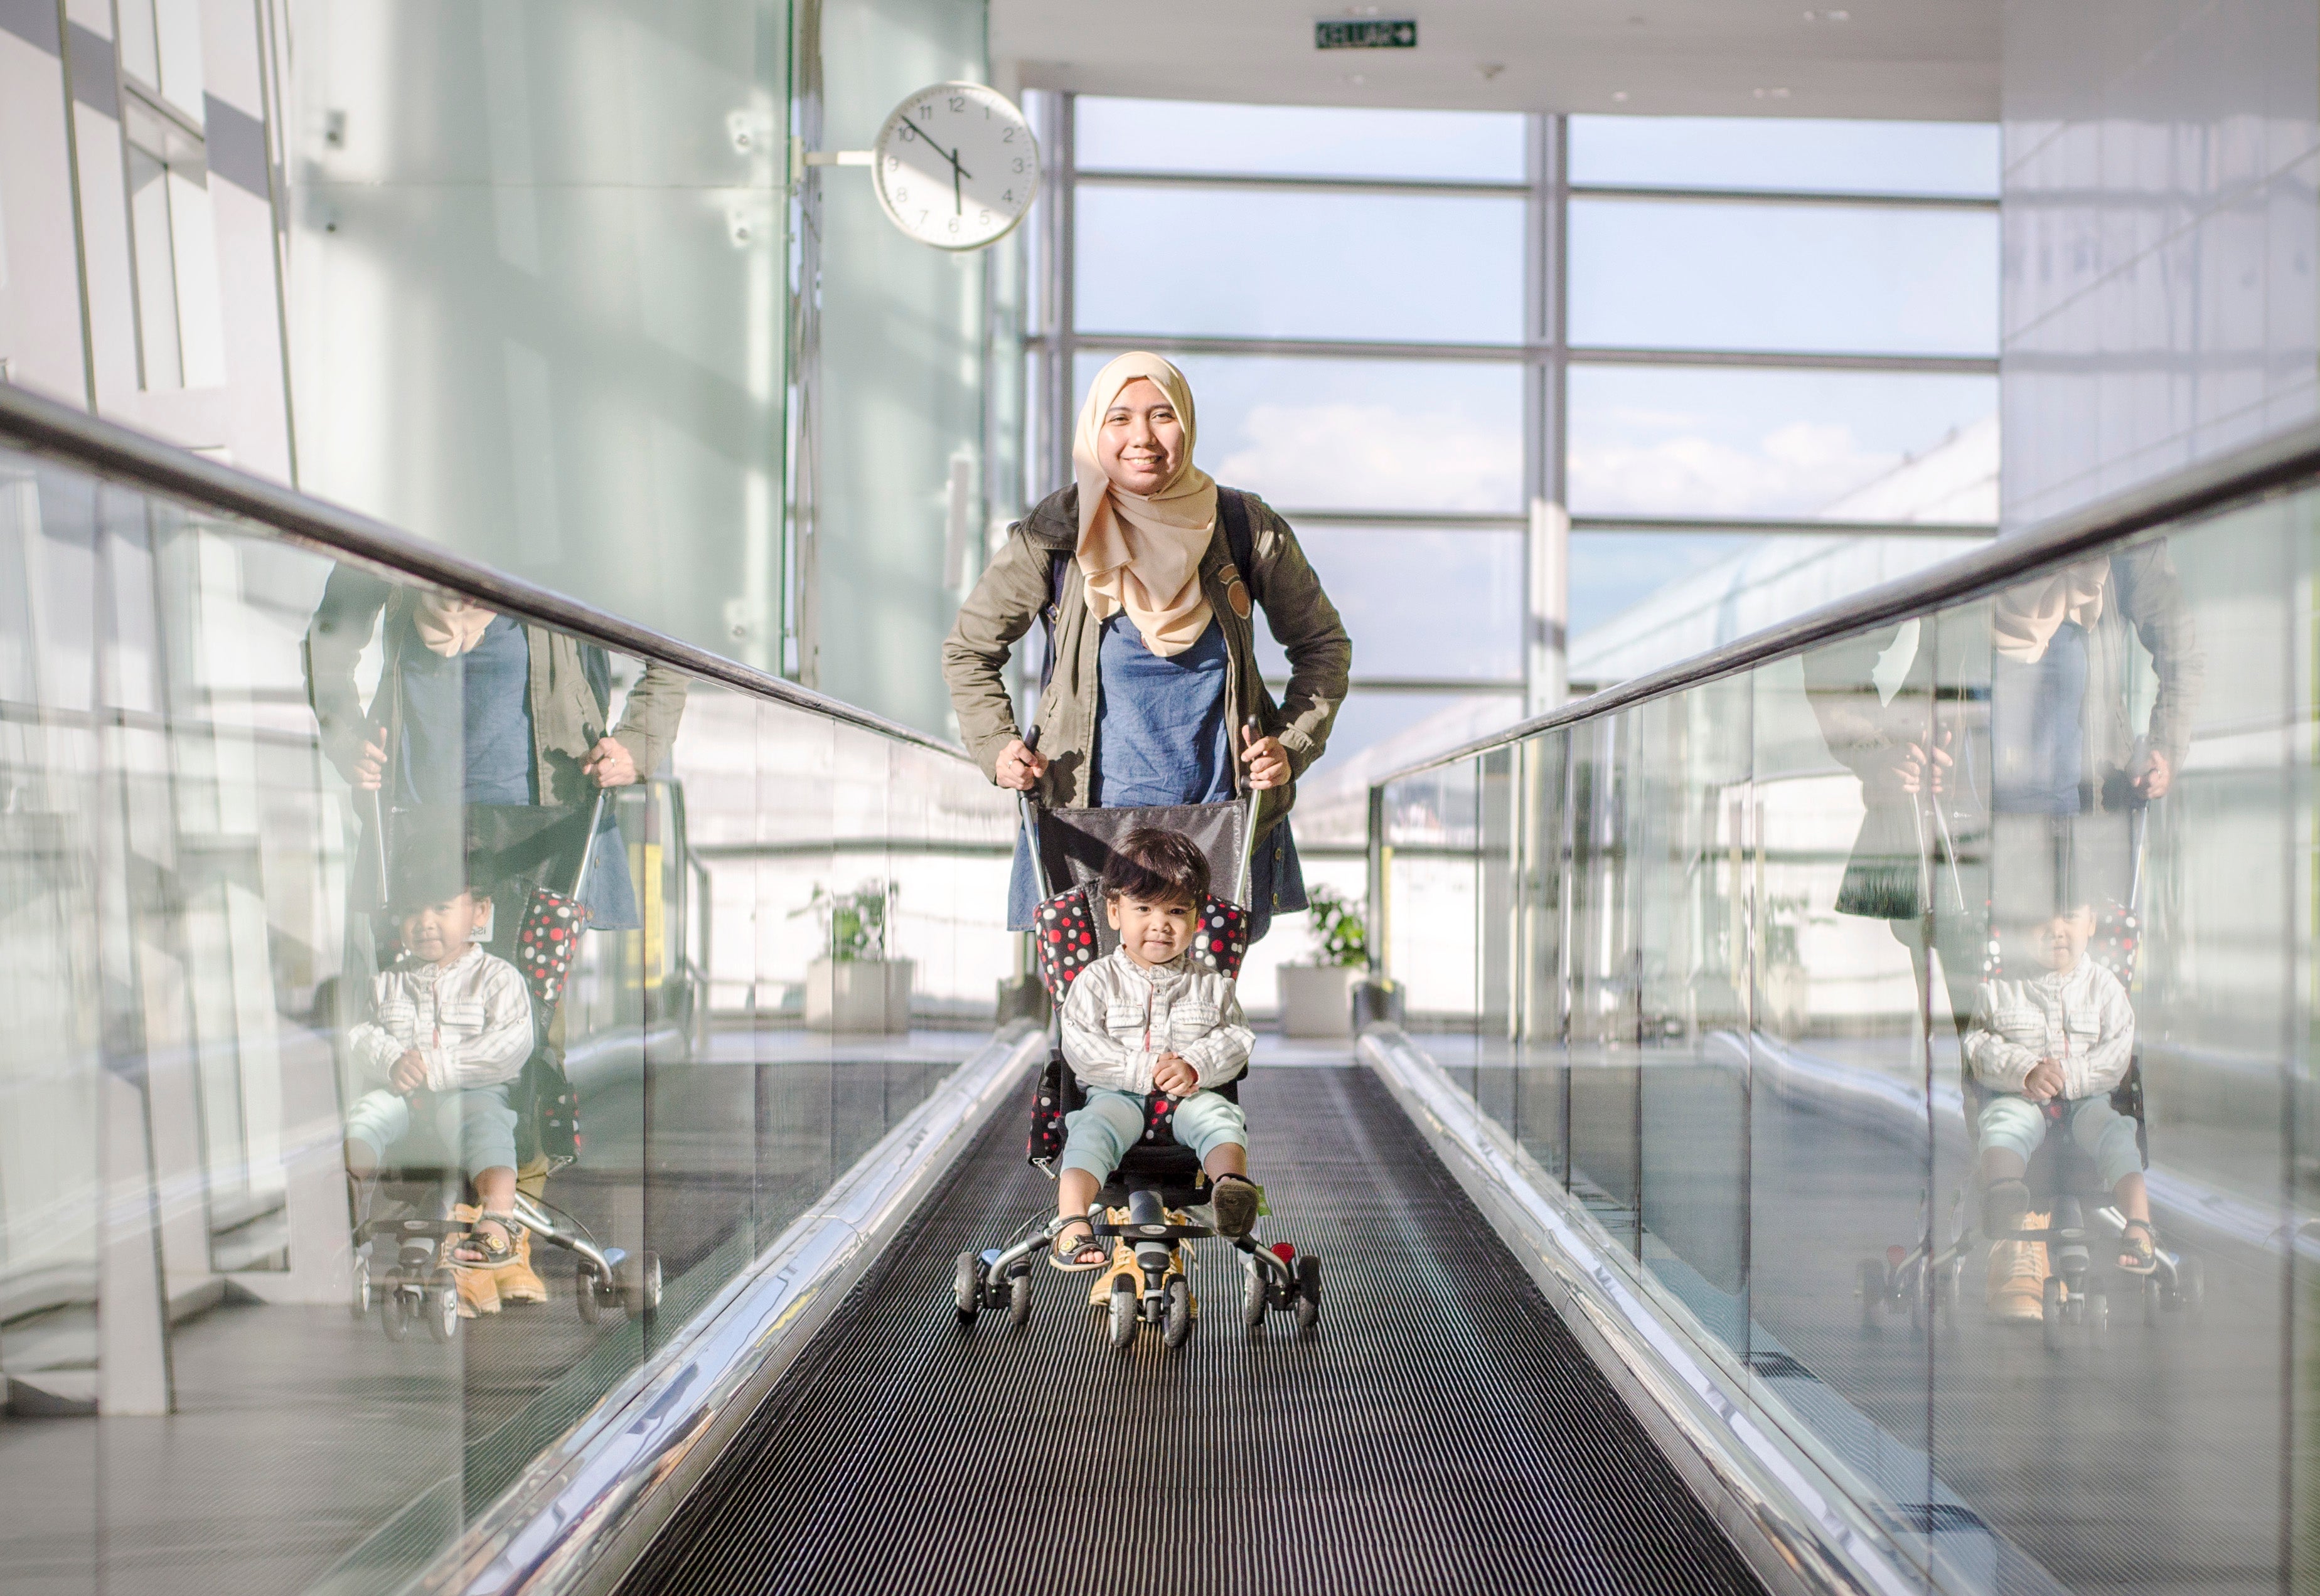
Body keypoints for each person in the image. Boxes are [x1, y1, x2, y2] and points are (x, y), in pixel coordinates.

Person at [942, 351, 1352, 944]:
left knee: (1199, 1025)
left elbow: (1323, 645)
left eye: (1162, 416)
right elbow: (969, 649)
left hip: (1218, 827)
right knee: (1091, 1023)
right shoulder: (1056, 532)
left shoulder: (1242, 526)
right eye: (1120, 419)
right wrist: (996, 744)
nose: (1143, 438)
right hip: (1084, 826)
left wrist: (1291, 744)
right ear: (1094, 431)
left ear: (1186, 423)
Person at [1049, 828, 1258, 1270]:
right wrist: (1142, 1070)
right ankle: (1071, 1222)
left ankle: (1231, 1188)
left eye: (1176, 910)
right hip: (1115, 1096)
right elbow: (1081, 1044)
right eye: (1142, 908)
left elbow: (1237, 1039)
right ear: (1114, 912)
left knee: (1219, 1118)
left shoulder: (1211, 984)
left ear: (1198, 918)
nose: (1160, 923)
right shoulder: (1097, 980)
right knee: (1092, 1129)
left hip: (1189, 1100)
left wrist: (1196, 1065)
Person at [341, 857, 534, 1307]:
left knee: (483, 1126)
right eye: (412, 913)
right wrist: (390, 1060)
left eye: (441, 909)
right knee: (366, 1115)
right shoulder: (387, 983)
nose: (424, 924)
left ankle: (499, 1217)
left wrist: (438, 1066)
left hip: (470, 1092)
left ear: (479, 914)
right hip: (402, 1096)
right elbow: (360, 1034)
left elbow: (511, 1044)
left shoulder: (497, 979)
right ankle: (349, 1199)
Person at [1964, 898, 2156, 1322]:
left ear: (2090, 924)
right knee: (2003, 1124)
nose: (2056, 929)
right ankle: (2003, 1194)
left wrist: (2067, 1074)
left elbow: (2116, 1053)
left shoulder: (2105, 988)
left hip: (2087, 1097)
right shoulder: (1998, 988)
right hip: (2021, 1095)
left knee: (2115, 1132)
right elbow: (1979, 1048)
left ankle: (2139, 1225)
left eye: (2069, 916)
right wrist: (2026, 1070)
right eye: (2040, 918)